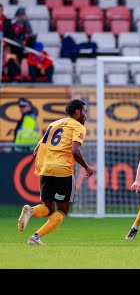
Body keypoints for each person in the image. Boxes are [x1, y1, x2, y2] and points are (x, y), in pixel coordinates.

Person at [17, 99, 94, 245]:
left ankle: (31, 211)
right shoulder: (78, 126)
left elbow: (37, 147)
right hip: (63, 169)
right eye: (84, 112)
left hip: (45, 167)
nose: (85, 115)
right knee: (63, 210)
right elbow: (75, 151)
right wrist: (86, 167)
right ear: (77, 112)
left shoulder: (54, 124)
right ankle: (35, 237)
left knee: (48, 207)